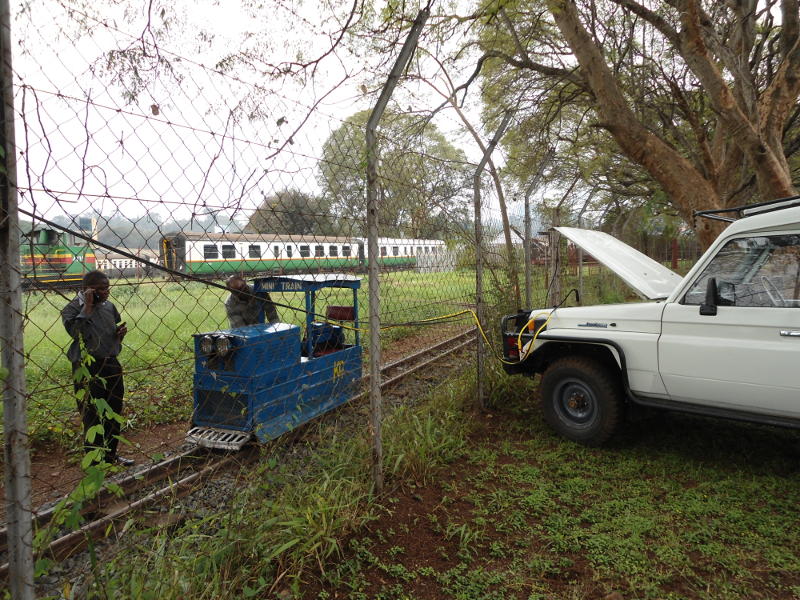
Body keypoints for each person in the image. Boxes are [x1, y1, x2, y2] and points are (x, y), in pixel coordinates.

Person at [62, 270, 133, 467]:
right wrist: (88, 307)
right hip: (86, 367)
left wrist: (119, 334)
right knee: (91, 414)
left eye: (108, 287)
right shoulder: (71, 309)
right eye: (101, 288)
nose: (107, 292)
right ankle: (94, 461)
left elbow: (110, 330)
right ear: (87, 289)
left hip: (110, 363)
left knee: (113, 411)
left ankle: (111, 456)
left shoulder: (109, 306)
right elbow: (75, 332)